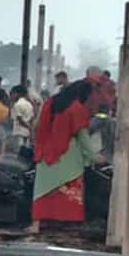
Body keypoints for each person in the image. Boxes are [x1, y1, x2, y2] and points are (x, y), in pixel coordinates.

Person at [33, 80, 95, 226]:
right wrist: (92, 157)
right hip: (68, 154)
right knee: (68, 188)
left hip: (45, 153)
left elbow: (37, 126)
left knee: (44, 190)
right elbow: (83, 138)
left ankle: (37, 224)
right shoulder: (76, 108)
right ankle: (66, 223)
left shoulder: (50, 103)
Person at [9, 84, 36, 157]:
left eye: (13, 93)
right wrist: (30, 129)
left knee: (18, 152)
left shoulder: (17, 105)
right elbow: (32, 118)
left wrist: (28, 127)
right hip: (26, 133)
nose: (11, 96)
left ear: (18, 93)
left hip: (18, 132)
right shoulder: (29, 104)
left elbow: (19, 119)